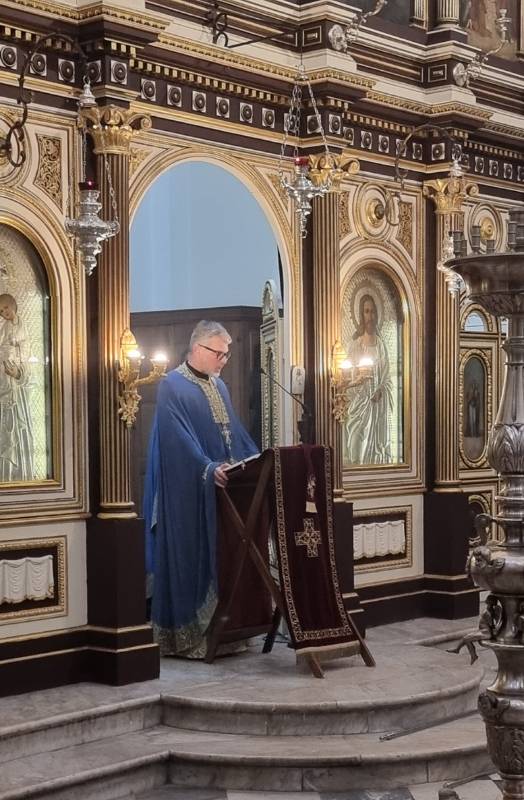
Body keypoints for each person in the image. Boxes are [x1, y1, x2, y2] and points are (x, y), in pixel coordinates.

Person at [144, 320, 259, 658]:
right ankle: (189, 639)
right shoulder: (172, 385)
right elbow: (177, 441)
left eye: (227, 354)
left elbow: (234, 433)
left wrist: (253, 459)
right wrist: (207, 469)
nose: (224, 360)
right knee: (191, 555)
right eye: (218, 353)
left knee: (225, 556)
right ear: (197, 347)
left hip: (222, 491)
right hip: (186, 492)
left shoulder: (220, 387)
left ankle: (228, 634)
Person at [345, 293, 393, 465]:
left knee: (376, 453)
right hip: (359, 405)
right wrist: (361, 388)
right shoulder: (355, 346)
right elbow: (346, 379)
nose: (370, 316)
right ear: (361, 315)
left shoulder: (381, 346)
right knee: (356, 443)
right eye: (366, 311)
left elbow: (387, 378)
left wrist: (380, 390)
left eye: (372, 311)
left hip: (377, 408)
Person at [0, 293, 35, 482]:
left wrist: (18, 373)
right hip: (3, 382)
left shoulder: (22, 327)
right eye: (1, 311)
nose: (4, 312)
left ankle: (20, 476)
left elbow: (27, 355)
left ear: (13, 305)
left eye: (6, 307)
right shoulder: (4, 327)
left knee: (18, 428)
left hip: (17, 388)